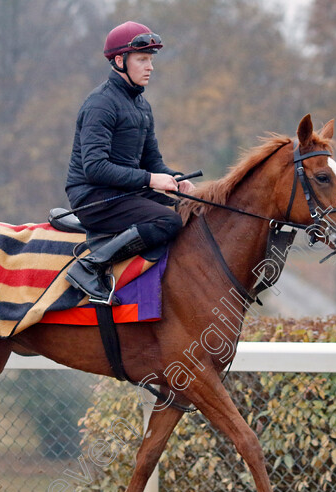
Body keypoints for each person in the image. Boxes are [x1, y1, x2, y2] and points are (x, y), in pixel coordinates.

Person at [64, 20, 195, 305]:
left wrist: (176, 179)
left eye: (151, 60)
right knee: (168, 220)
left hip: (123, 193)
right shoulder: (100, 104)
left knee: (189, 211)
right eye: (143, 59)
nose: (150, 67)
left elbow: (153, 161)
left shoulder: (141, 106)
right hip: (93, 198)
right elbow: (95, 168)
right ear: (120, 61)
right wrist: (150, 180)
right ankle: (90, 267)